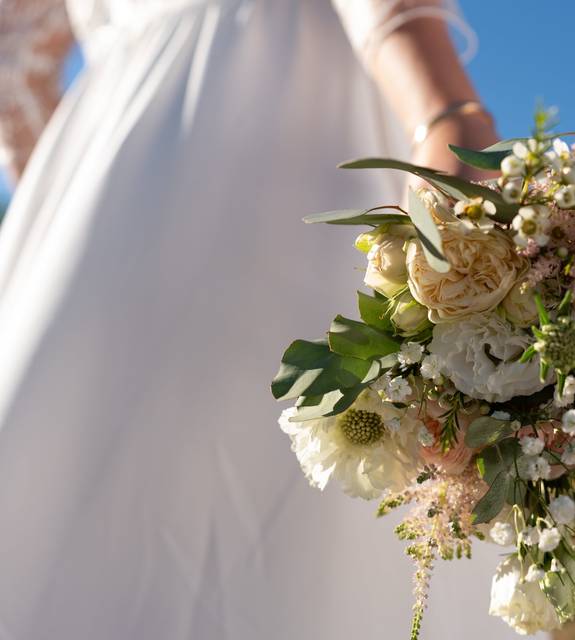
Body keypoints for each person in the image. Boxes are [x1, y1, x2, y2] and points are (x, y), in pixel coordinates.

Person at [0, 1, 529, 638]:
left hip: (124, 146)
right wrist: (448, 116)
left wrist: (66, 200)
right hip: (277, 122)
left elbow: (14, 56)